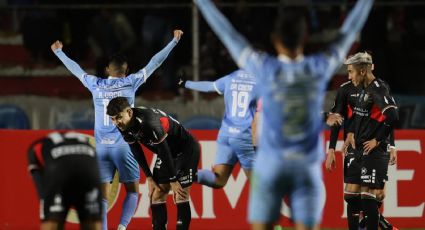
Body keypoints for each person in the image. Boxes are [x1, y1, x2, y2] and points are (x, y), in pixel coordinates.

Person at [194, 0, 373, 229]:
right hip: (305, 171)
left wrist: (202, 3)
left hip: (270, 170)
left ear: (274, 40)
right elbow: (348, 31)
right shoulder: (318, 67)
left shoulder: (262, 66)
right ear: (305, 37)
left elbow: (227, 32)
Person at [51, 29, 183, 230]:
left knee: (102, 198)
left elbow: (76, 70)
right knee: (131, 191)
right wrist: (173, 41)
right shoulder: (131, 82)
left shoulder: (96, 84)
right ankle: (122, 227)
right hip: (124, 147)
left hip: (102, 148)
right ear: (126, 70)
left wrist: (59, 52)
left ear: (107, 70)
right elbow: (155, 62)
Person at [325, 52, 397, 230]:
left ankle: (376, 221)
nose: (348, 76)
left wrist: (382, 141)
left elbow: (391, 117)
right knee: (351, 196)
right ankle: (376, 221)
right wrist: (332, 148)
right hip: (355, 147)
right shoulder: (347, 89)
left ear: (363, 71)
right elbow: (338, 118)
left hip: (374, 149)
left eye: (350, 71)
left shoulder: (379, 89)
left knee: (371, 196)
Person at [106, 97, 200, 230]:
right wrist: (149, 177)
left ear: (129, 112)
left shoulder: (149, 121)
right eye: (113, 119)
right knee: (156, 194)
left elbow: (164, 149)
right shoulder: (123, 124)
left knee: (180, 194)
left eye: (119, 117)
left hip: (185, 149)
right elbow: (136, 149)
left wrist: (173, 179)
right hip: (167, 152)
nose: (116, 122)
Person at [178, 69, 257, 188]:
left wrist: (185, 83)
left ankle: (189, 174)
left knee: (219, 180)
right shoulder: (261, 82)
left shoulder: (231, 77)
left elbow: (209, 86)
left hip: (225, 134)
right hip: (244, 136)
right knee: (260, 186)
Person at [28, 131, 102, 230]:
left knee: (53, 221)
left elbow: (40, 185)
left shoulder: (34, 148)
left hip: (59, 166)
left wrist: (47, 207)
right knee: (91, 221)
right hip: (88, 161)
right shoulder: (83, 142)